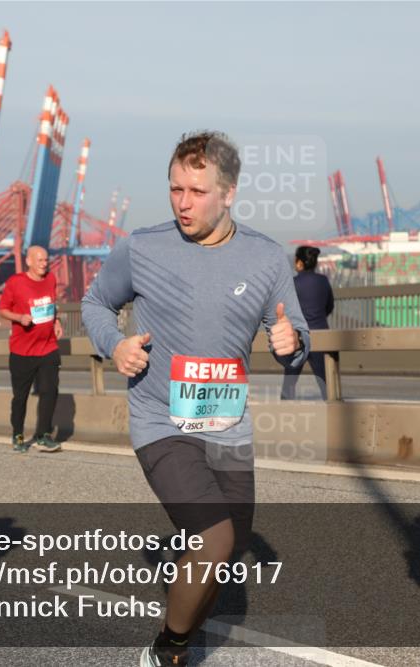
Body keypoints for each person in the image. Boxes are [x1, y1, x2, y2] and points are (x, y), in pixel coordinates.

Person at [81, 131, 309, 667]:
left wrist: (291, 343)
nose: (183, 203)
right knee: (213, 542)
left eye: (197, 191)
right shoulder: (143, 247)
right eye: (175, 189)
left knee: (227, 554)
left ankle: (180, 632)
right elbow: (95, 302)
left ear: (228, 193)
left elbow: (294, 332)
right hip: (162, 420)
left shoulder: (266, 257)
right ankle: (169, 650)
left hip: (227, 427)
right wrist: (116, 345)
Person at [0, 245, 63, 453]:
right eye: (40, 260)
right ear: (29, 261)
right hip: (22, 352)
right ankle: (18, 434)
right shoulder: (16, 282)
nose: (44, 264)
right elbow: (2, 310)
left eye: (46, 260)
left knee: (50, 391)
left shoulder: (51, 279)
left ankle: (43, 435)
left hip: (48, 347)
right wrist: (19, 318)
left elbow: (52, 304)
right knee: (21, 397)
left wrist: (57, 320)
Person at [281, 245, 336, 400]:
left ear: (299, 263)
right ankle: (333, 414)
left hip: (298, 337)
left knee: (289, 383)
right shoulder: (323, 281)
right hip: (321, 335)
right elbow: (329, 306)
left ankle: (284, 414)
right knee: (326, 383)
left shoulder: (292, 283)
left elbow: (285, 310)